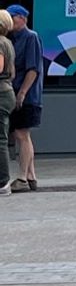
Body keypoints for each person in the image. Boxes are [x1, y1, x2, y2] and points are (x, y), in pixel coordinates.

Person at [6, 4, 45, 194]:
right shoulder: (10, 39)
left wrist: (22, 93)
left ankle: (22, 177)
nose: (10, 21)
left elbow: (33, 69)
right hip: (16, 92)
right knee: (22, 134)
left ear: (22, 18)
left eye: (12, 17)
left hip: (27, 95)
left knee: (22, 134)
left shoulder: (31, 37)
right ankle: (31, 176)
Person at [0, 12, 16, 194]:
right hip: (7, 91)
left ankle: (3, 182)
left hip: (1, 93)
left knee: (1, 139)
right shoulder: (8, 42)